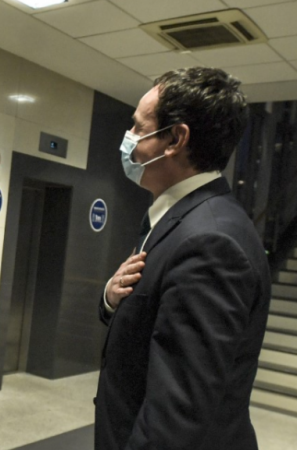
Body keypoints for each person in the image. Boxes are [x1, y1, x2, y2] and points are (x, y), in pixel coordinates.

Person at [94, 67, 271, 450]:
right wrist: (110, 298)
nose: (129, 138)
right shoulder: (178, 220)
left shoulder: (211, 241)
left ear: (175, 139)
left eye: (138, 127)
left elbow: (176, 417)